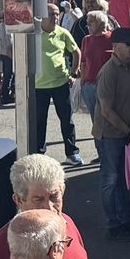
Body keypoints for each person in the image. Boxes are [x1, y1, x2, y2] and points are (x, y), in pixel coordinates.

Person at [91, 28, 130, 241]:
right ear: (115, 47)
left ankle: (126, 219)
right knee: (111, 178)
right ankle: (114, 224)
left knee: (125, 178)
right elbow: (106, 111)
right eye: (128, 43)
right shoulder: (109, 72)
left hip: (128, 130)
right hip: (109, 133)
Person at [33, 12, 83, 167]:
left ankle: (72, 153)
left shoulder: (62, 32)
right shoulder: (33, 34)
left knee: (67, 119)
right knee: (39, 121)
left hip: (60, 83)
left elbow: (76, 52)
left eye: (57, 14)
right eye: (51, 15)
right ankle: (39, 154)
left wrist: (74, 72)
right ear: (42, 16)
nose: (56, 17)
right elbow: (12, 50)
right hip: (39, 85)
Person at [77, 12, 111, 117]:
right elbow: (83, 61)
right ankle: (98, 134)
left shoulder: (112, 37)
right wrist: (83, 79)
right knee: (95, 117)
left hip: (107, 83)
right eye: (87, 23)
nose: (88, 26)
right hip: (89, 84)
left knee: (108, 115)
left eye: (91, 22)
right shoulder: (86, 39)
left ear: (101, 23)